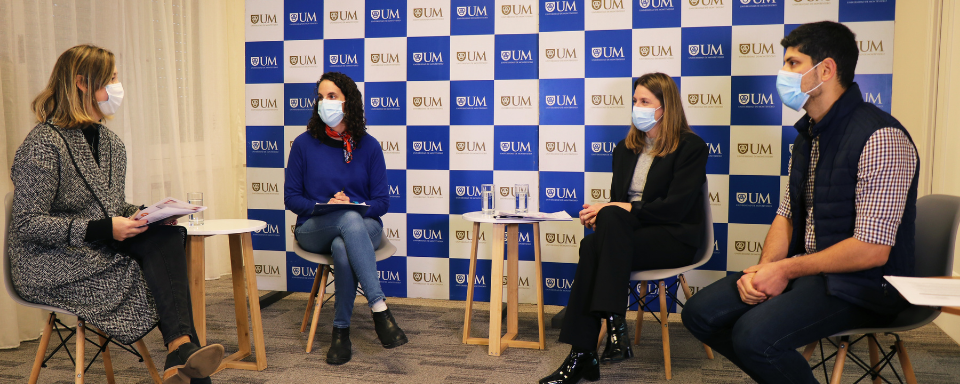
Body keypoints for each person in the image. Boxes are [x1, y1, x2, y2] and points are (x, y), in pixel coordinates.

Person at [681, 21, 919, 384]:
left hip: (867, 285)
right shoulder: (807, 135)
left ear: (825, 70)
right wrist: (764, 271)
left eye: (793, 63)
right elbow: (787, 214)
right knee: (699, 313)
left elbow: (872, 250)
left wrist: (785, 271)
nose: (783, 72)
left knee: (753, 337)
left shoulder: (881, 137)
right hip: (812, 273)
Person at [9, 45, 223, 384]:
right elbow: (27, 224)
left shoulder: (111, 143)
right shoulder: (43, 144)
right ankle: (184, 357)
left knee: (165, 235)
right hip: (49, 260)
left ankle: (180, 349)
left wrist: (146, 215)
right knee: (150, 274)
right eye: (111, 79)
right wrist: (105, 227)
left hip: (94, 245)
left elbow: (110, 206)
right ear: (81, 82)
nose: (117, 86)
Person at [539, 73, 708, 384]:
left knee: (598, 241)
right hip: (628, 236)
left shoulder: (691, 147)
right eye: (635, 102)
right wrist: (602, 214)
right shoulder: (625, 149)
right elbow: (619, 206)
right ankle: (599, 341)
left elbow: (676, 208)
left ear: (665, 107)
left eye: (645, 102)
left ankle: (590, 348)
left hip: (675, 237)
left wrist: (617, 210)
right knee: (594, 241)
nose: (637, 108)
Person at [285, 71, 407, 365]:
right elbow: (292, 199)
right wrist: (326, 205)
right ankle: (379, 308)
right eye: (320, 97)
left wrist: (352, 203)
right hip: (315, 227)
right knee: (347, 221)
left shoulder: (369, 146)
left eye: (331, 97)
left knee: (344, 241)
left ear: (348, 102)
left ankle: (341, 332)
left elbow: (382, 202)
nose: (323, 103)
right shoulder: (303, 144)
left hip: (364, 227)